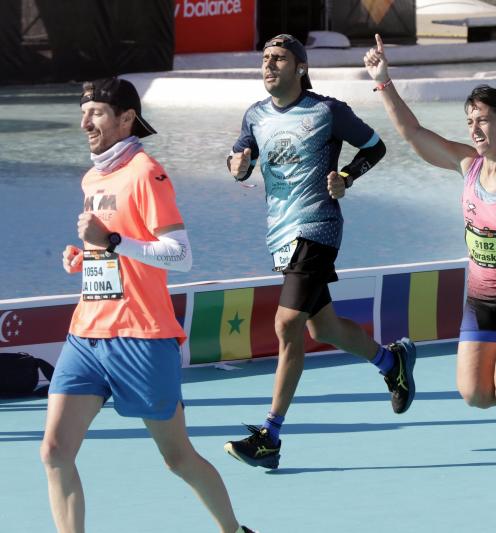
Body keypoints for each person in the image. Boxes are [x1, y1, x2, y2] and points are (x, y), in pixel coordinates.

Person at [41, 77, 255, 533]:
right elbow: (117, 250)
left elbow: (179, 254)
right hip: (87, 336)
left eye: (96, 112)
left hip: (141, 337)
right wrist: (88, 257)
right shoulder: (93, 175)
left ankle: (234, 531)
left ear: (126, 119)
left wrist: (112, 240)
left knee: (178, 458)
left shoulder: (146, 172)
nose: (85, 122)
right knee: (55, 451)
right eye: (84, 112)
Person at [364, 35, 496, 503]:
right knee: (476, 394)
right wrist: (384, 83)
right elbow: (414, 134)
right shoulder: (467, 166)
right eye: (470, 121)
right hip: (480, 299)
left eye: (482, 120)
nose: (475, 128)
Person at [223, 34, 416, 470]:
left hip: (318, 227)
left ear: (301, 68)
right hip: (280, 234)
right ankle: (392, 362)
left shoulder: (327, 111)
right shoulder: (254, 115)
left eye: (279, 59)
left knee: (287, 324)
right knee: (321, 328)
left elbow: (375, 146)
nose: (269, 65)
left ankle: (270, 435)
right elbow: (242, 156)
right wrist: (237, 166)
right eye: (266, 58)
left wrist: (346, 176)